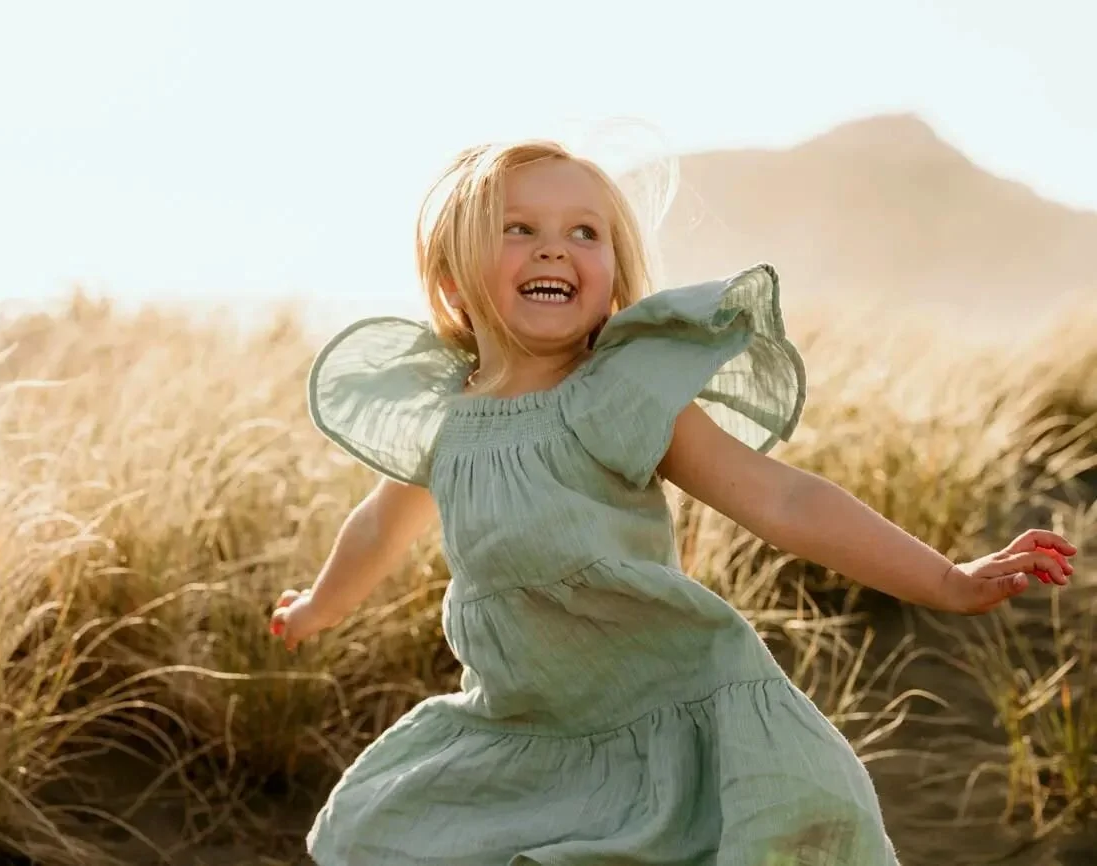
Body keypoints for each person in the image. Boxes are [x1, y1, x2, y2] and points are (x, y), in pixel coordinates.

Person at [268, 139, 1076, 865]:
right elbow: (379, 526)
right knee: (375, 833)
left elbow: (782, 498)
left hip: (671, 703)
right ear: (450, 277)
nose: (556, 246)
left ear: (614, 274)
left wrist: (945, 579)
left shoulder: (618, 397)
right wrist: (318, 607)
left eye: (586, 233)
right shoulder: (446, 421)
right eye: (519, 229)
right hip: (525, 719)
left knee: (787, 828)